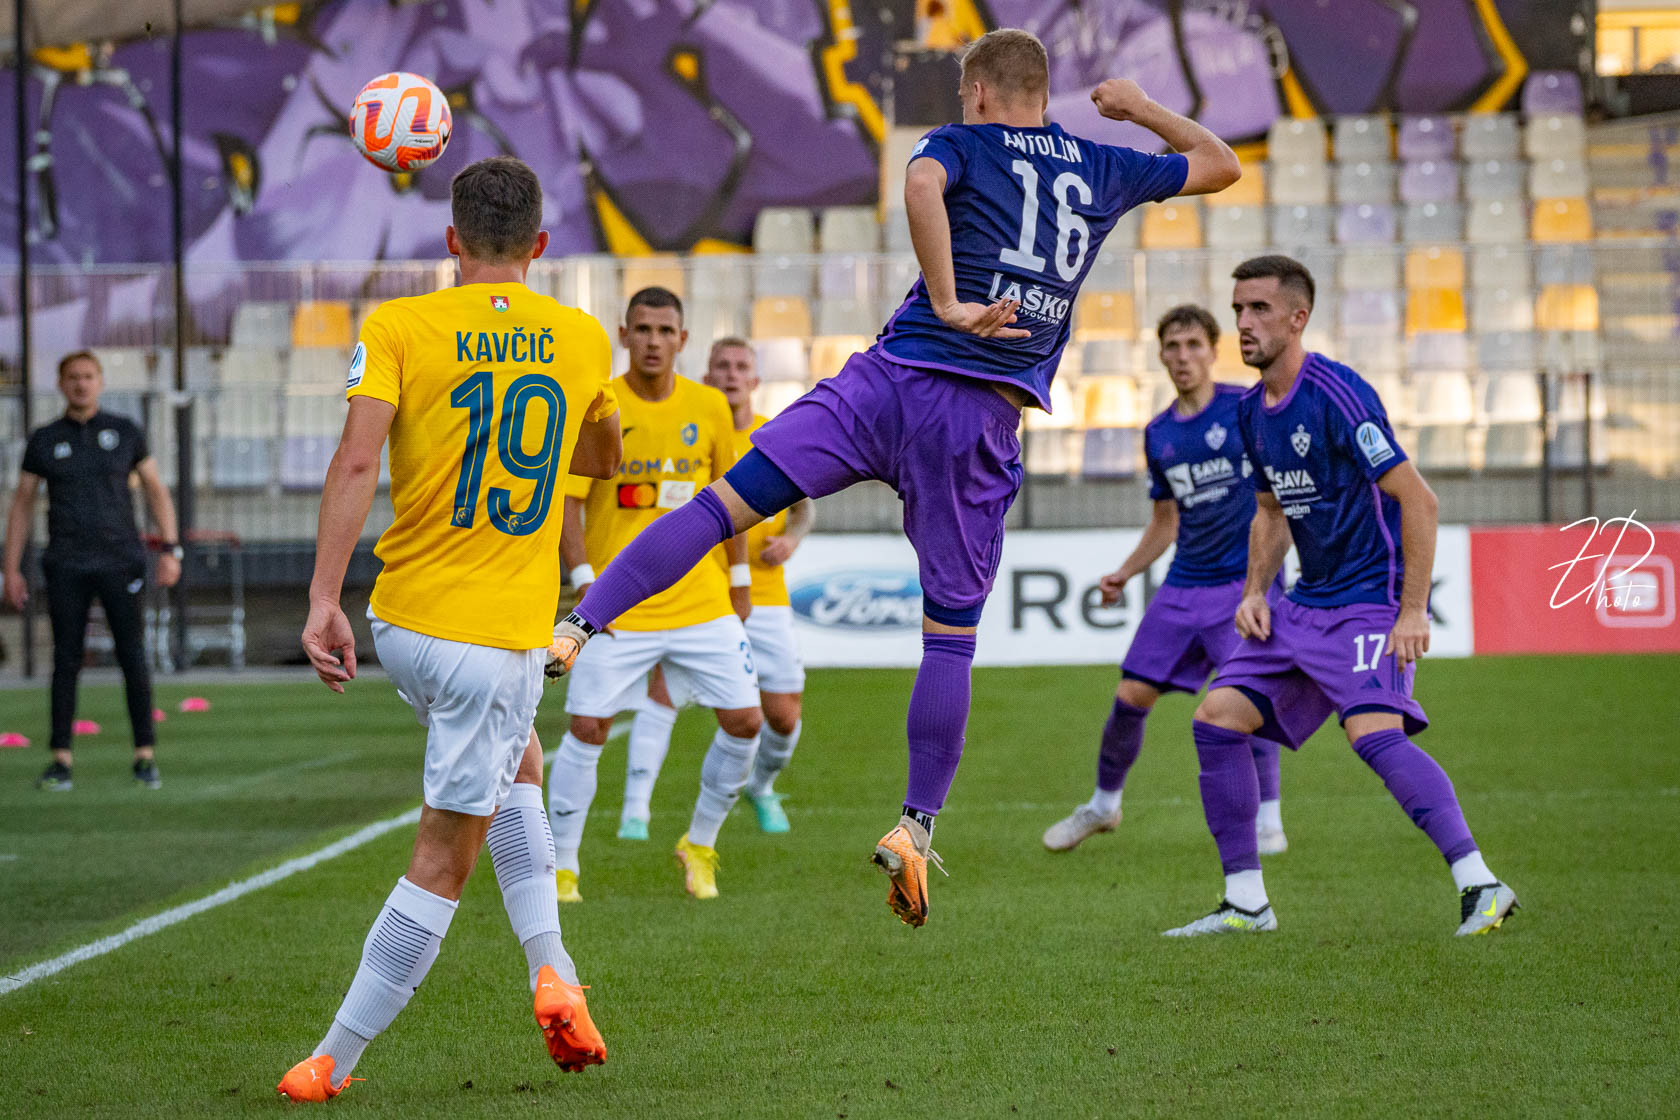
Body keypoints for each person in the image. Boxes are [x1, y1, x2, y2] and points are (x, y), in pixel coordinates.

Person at [545, 28, 1240, 927]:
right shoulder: (1103, 165)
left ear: (980, 91)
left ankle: (579, 625)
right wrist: (1141, 108)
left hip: (887, 384)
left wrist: (947, 302)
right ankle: (915, 825)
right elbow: (1220, 164)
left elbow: (918, 185)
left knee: (721, 507)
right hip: (978, 420)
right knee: (948, 640)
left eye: (963, 91)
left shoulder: (961, 143)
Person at [284, 155, 620, 1101]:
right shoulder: (580, 336)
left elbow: (357, 463)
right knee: (442, 860)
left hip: (403, 620)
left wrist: (322, 598)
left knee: (523, 763)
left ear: (451, 241)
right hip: (493, 638)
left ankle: (554, 971)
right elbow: (603, 456)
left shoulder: (399, 325)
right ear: (540, 244)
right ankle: (330, 1062)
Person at [1162, 255, 1518, 938]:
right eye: (1238, 310)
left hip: (1368, 602)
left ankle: (1482, 884)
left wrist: (1411, 609)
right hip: (1304, 606)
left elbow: (1419, 499)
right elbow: (1271, 512)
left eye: (1259, 309)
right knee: (1217, 719)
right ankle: (1246, 903)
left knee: (1373, 735)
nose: (1244, 323)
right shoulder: (1249, 412)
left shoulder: (1338, 393)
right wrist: (1254, 591)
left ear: (1298, 318)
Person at [1042, 306, 1286, 854]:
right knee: (1130, 696)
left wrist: (1269, 578)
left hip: (1243, 584)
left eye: (1194, 345)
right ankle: (1103, 805)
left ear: (1214, 351)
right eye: (1172, 347)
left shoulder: (1246, 408)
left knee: (1248, 697)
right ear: (1160, 356)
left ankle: (1269, 819)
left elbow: (1281, 497)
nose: (1183, 357)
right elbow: (1165, 521)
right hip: (1184, 585)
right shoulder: (1159, 433)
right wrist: (1125, 572)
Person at [548, 289, 762, 902]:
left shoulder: (709, 406)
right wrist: (584, 580)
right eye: (642, 329)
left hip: (701, 600)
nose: (653, 341)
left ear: (683, 340)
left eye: (666, 330)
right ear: (624, 334)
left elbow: (733, 498)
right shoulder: (598, 407)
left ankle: (700, 844)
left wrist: (739, 580)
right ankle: (563, 867)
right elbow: (569, 503)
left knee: (745, 721)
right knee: (588, 728)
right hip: (618, 608)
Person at [615, 338, 815, 839]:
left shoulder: (773, 436)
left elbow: (804, 506)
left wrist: (792, 539)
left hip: (765, 595)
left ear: (755, 380)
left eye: (741, 366)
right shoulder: (691, 428)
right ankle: (635, 811)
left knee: (783, 716)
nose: (730, 374)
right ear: (707, 376)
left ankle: (761, 787)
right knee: (664, 693)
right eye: (721, 366)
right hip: (699, 591)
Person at [3, 350, 182, 791]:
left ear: (100, 381)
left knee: (132, 655)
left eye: (88, 376)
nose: (81, 384)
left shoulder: (125, 431)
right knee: (66, 660)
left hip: (121, 560)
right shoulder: (45, 439)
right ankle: (60, 759)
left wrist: (170, 549)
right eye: (73, 377)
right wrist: (11, 568)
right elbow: (22, 504)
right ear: (61, 385)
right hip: (66, 563)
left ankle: (145, 756)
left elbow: (156, 491)